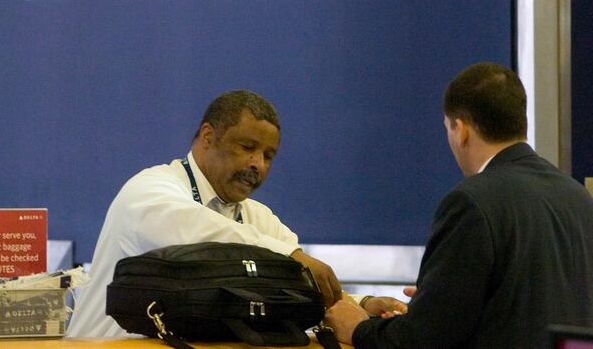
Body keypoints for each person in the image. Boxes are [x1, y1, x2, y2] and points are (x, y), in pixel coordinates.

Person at [68, 89, 402, 337]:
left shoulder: (258, 218)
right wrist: (290, 255)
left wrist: (359, 304)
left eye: (269, 155)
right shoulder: (149, 191)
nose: (258, 164)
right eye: (247, 147)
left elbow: (296, 292)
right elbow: (204, 240)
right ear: (208, 136)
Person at [326, 62, 593, 348]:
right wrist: (440, 296)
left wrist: (356, 327)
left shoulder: (472, 201)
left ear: (461, 129)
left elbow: (422, 340)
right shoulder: (578, 197)